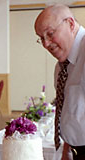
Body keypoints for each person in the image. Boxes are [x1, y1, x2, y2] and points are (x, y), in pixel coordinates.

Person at [34, 4, 85, 160]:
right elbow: (71, 111)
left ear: (70, 24)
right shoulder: (62, 66)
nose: (46, 44)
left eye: (50, 34)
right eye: (41, 38)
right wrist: (67, 148)